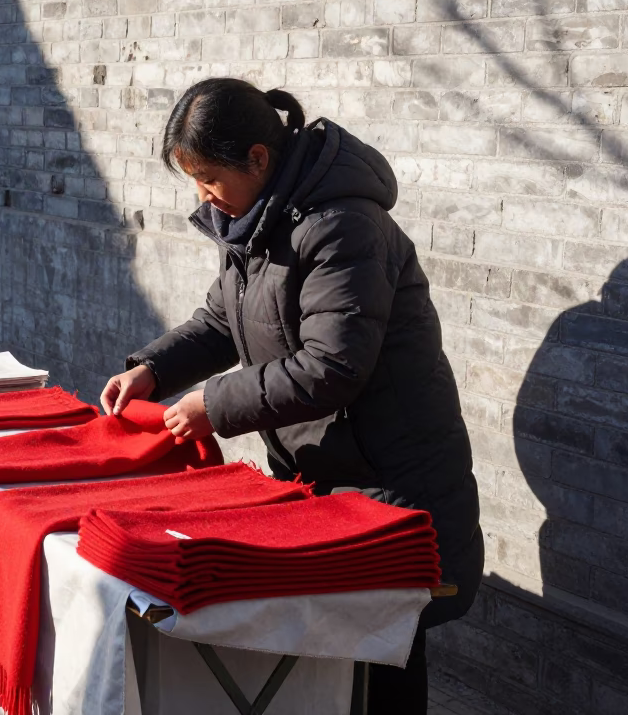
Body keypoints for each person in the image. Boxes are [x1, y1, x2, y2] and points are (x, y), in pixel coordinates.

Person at [100, 78, 482, 714]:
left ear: (258, 158)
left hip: (394, 486)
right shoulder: (253, 222)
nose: (203, 196)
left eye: (209, 177)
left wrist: (212, 406)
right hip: (328, 483)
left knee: (381, 667)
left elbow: (332, 366)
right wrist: (153, 370)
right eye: (193, 179)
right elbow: (224, 321)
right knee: (334, 676)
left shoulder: (345, 226)